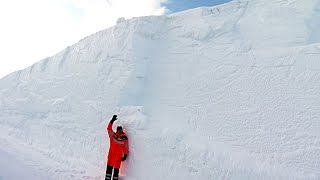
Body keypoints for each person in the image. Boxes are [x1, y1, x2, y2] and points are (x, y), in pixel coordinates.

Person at [105, 115, 129, 180]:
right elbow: (109, 129)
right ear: (117, 130)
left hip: (118, 157)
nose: (119, 131)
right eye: (118, 130)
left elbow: (125, 146)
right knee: (109, 170)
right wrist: (112, 121)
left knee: (116, 171)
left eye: (120, 130)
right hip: (111, 155)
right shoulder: (113, 136)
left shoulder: (124, 138)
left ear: (122, 130)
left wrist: (125, 154)